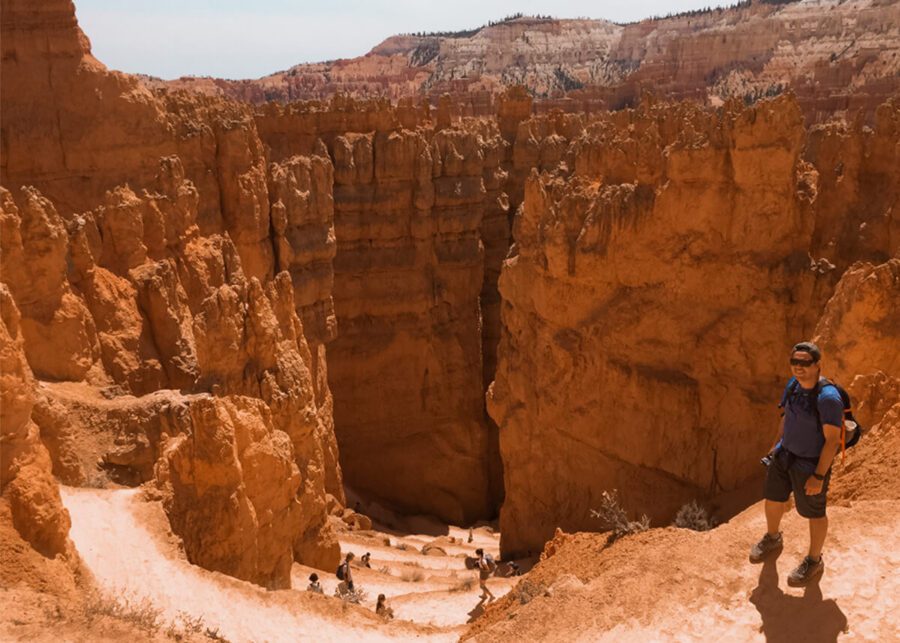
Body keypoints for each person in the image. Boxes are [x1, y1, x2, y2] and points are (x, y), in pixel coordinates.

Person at [750, 341, 844, 586]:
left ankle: (814, 560)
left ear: (818, 365)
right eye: (795, 362)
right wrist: (774, 448)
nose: (799, 367)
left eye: (805, 363)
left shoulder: (828, 398)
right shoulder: (793, 385)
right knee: (772, 499)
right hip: (784, 456)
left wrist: (819, 476)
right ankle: (773, 537)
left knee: (814, 513)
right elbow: (786, 419)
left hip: (809, 465)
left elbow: (832, 441)